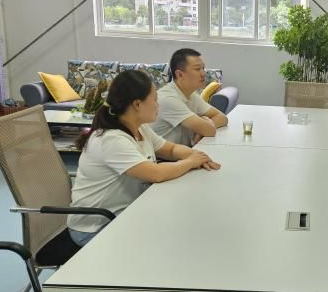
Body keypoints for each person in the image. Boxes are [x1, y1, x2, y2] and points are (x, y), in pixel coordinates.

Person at [68, 69, 221, 246]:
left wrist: (196, 155)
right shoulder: (112, 139)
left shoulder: (139, 128)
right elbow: (156, 174)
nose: (158, 105)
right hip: (95, 227)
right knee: (172, 238)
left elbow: (170, 149)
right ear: (137, 104)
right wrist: (191, 162)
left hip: (125, 214)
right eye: (155, 99)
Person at [151, 48, 228, 145]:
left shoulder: (191, 95)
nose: (203, 73)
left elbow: (222, 117)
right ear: (180, 75)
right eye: (197, 69)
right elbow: (209, 130)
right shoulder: (168, 99)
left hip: (183, 151)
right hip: (160, 155)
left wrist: (201, 130)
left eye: (203, 68)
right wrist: (205, 126)